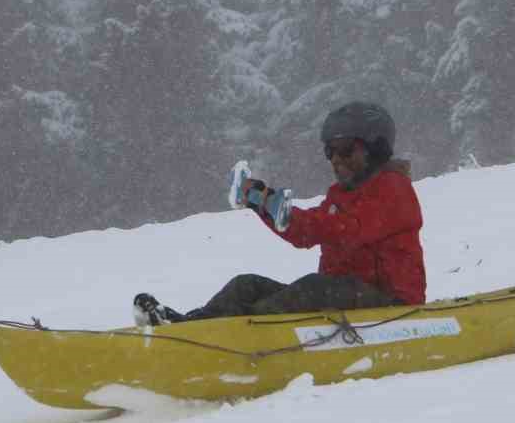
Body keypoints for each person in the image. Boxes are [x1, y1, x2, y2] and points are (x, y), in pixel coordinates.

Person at [132, 101, 426, 324]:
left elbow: (342, 229)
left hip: (390, 303)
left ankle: (241, 334)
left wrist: (279, 209)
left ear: (375, 149)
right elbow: (305, 232)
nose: (336, 160)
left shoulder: (393, 190)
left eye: (346, 150)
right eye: (330, 152)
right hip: (344, 296)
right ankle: (190, 330)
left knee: (315, 287)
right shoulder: (341, 195)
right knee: (247, 285)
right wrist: (262, 202)